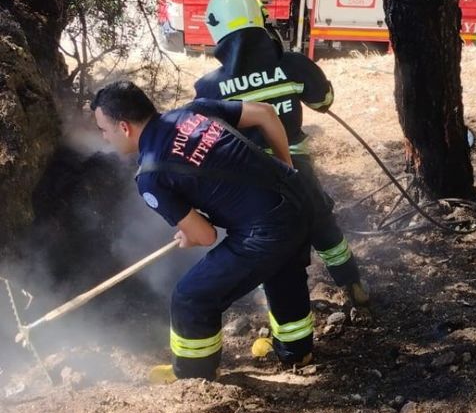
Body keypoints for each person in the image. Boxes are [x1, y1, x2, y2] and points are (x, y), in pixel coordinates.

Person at [91, 80, 333, 382]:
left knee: (190, 297)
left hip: (268, 228)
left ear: (124, 127)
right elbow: (266, 114)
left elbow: (205, 236)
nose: (104, 138)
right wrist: (286, 169)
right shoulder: (195, 110)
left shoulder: (151, 176)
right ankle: (298, 352)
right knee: (283, 270)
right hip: (302, 197)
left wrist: (189, 234)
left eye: (104, 129)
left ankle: (193, 377)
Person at [193, 0, 369, 308]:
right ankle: (353, 284)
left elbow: (208, 142)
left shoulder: (208, 88)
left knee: (270, 245)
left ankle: (275, 309)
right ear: (261, 20)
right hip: (298, 171)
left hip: (252, 186)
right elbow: (323, 101)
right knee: (323, 226)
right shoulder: (292, 65)